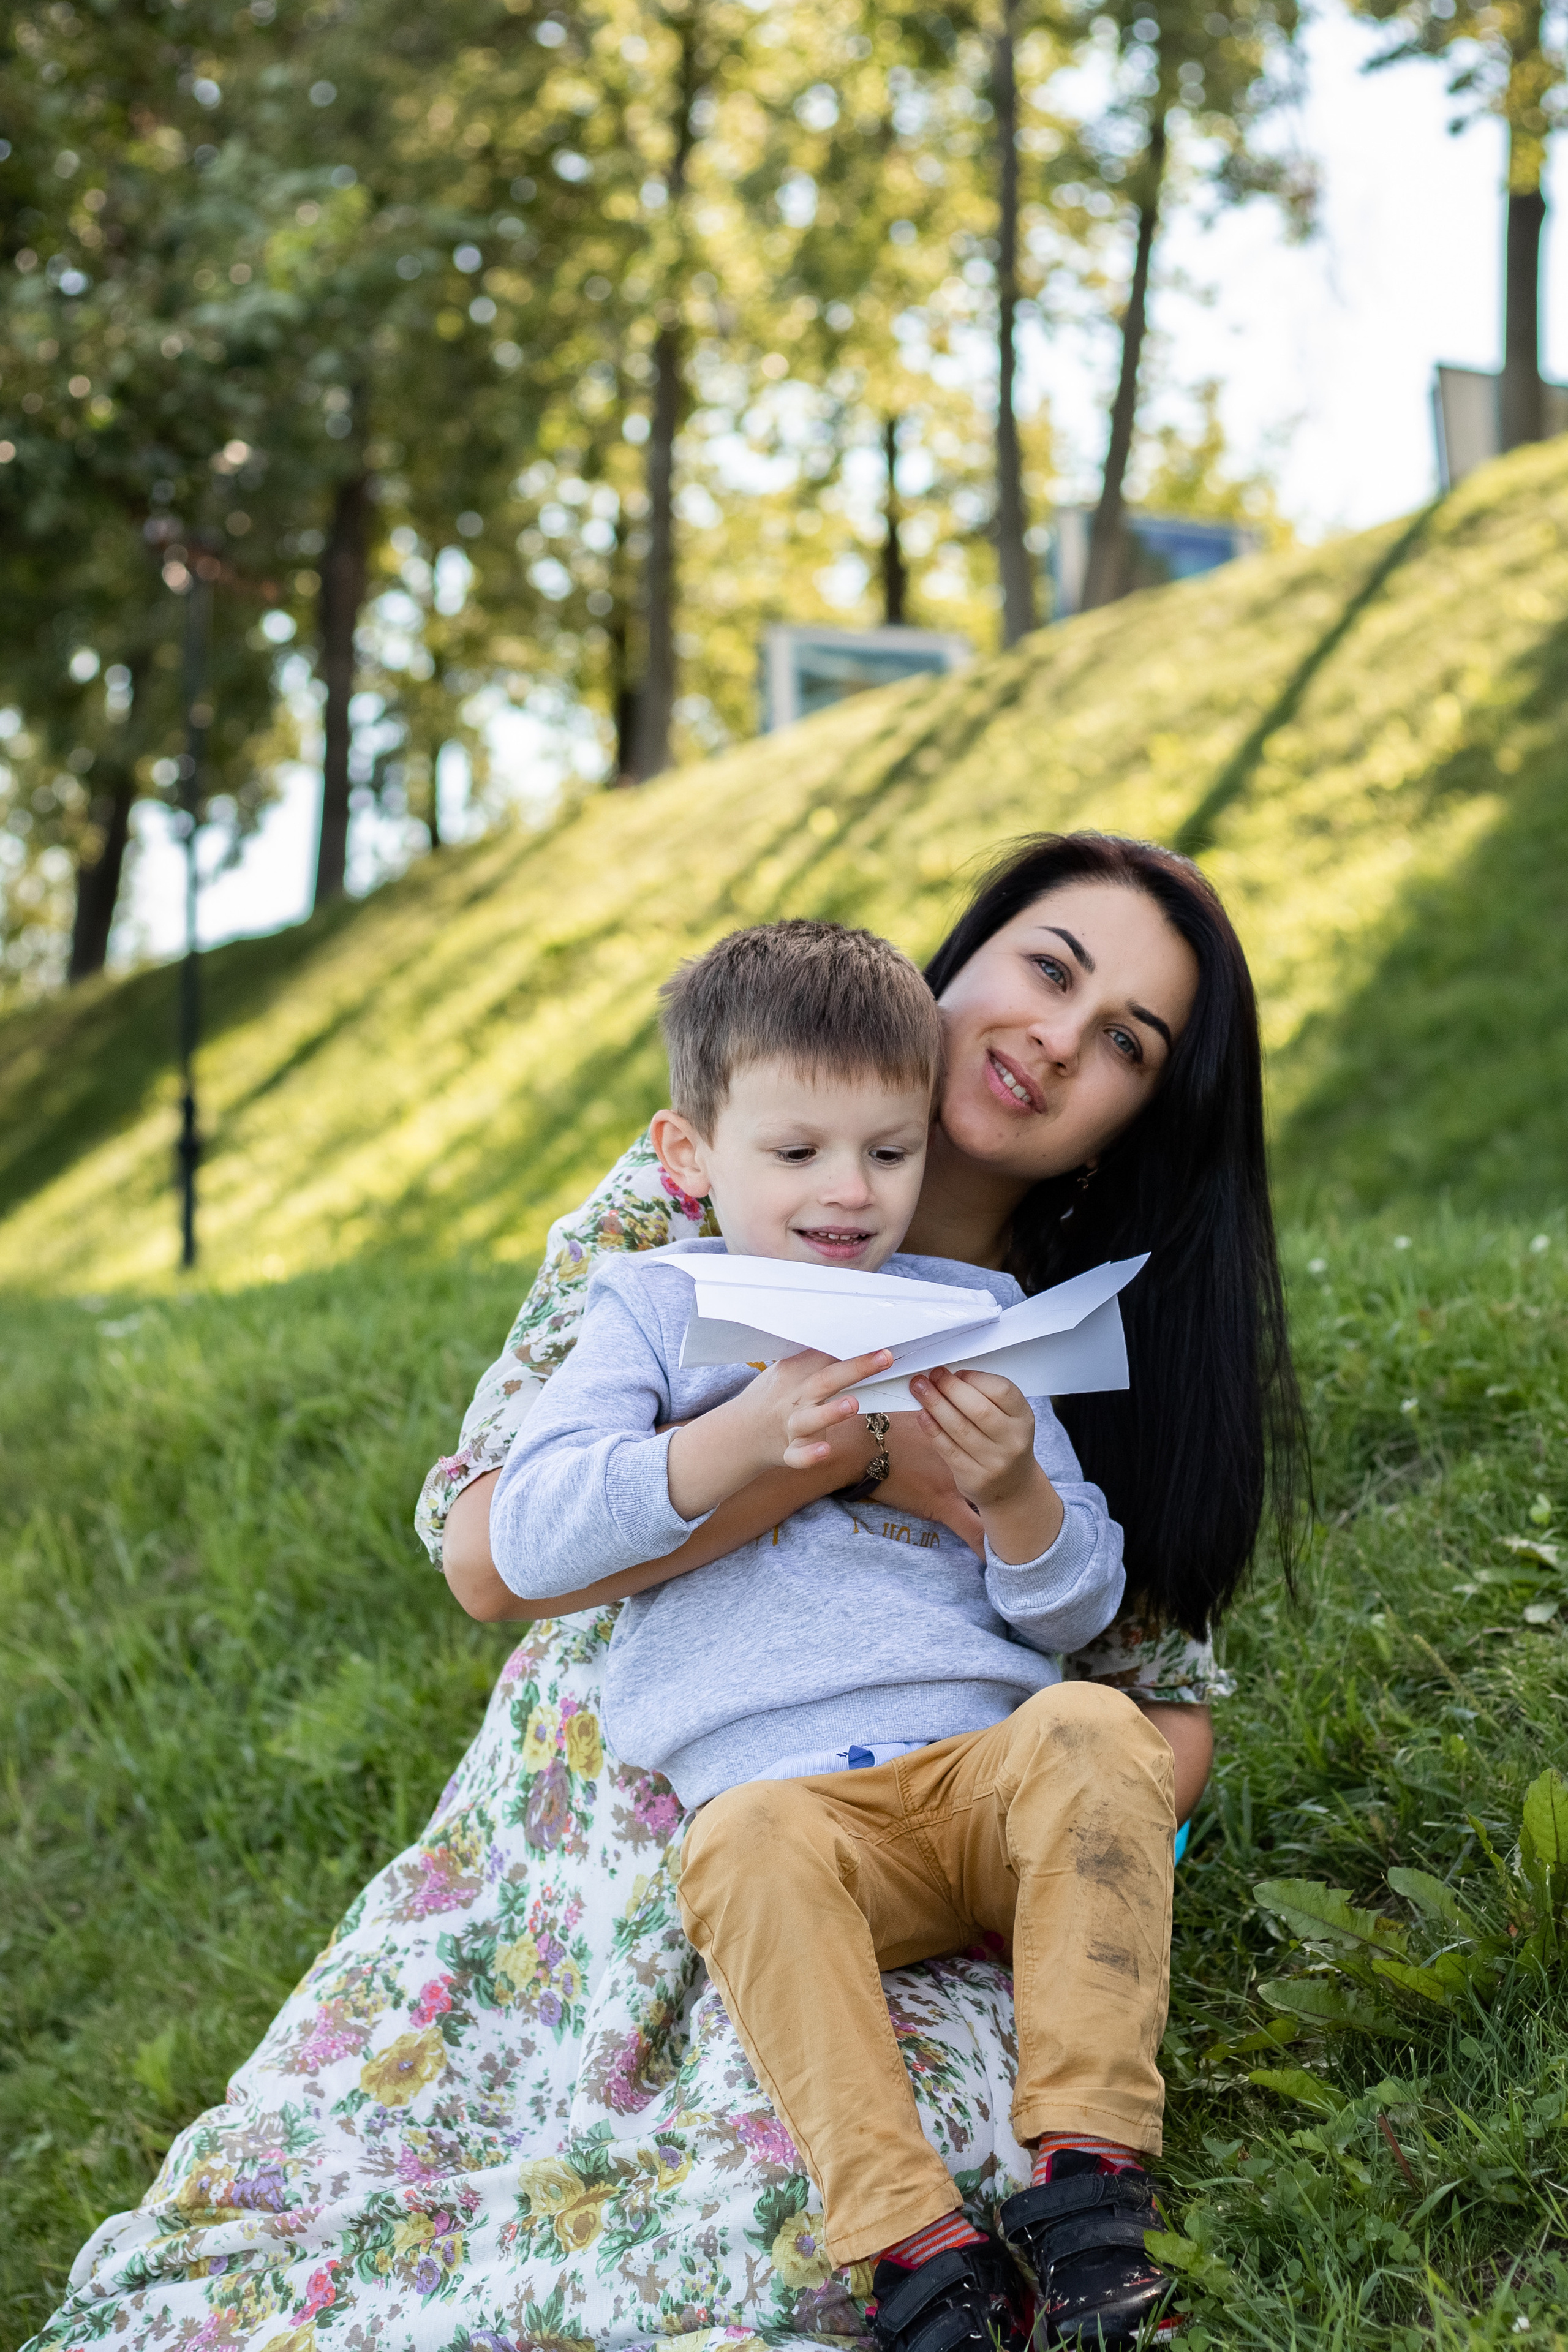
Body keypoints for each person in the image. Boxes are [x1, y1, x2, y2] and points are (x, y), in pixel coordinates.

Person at [28, 835, 1298, 2352]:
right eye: (1047, 969)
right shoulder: (696, 1195)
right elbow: (490, 1549)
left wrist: (997, 1803)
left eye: (1122, 1045)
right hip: (621, 1800)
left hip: (932, 1819)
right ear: (957, 963)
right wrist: (846, 1460)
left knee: (855, 2189)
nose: (1054, 1039)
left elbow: (1156, 1706)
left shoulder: (1062, 1326)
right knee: (411, 2181)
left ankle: (1040, 2209)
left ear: (1123, 1124)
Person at [492, 914, 1164, 2352]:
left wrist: (1012, 1496)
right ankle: (911, 2244)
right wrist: (731, 1445)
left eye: (887, 1151)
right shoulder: (654, 1306)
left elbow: (1079, 1606)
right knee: (740, 1844)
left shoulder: (974, 1315)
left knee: (1095, 1727)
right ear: (690, 1159)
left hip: (971, 1777)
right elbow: (532, 1529)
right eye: (794, 1156)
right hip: (787, 1810)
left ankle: (1094, 2179)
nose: (846, 1194)